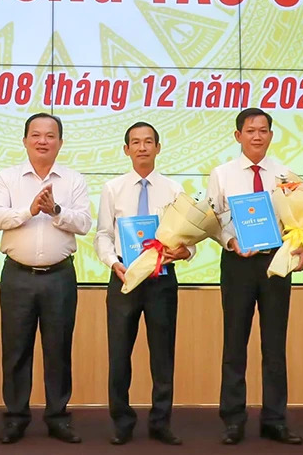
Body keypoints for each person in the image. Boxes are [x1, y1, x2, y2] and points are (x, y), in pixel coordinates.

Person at [0, 112, 91, 445]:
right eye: (36, 135)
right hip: (18, 276)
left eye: (50, 135)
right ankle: (16, 418)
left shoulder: (73, 180)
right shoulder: (8, 177)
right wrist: (29, 211)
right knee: (15, 349)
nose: (42, 141)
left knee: (58, 349)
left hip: (60, 277)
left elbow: (85, 223)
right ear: (25, 140)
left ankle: (58, 417)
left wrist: (55, 210)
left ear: (60, 142)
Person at [208, 108, 303, 446]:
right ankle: (233, 420)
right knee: (234, 343)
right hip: (237, 263)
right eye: (250, 130)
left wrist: (300, 245)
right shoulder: (221, 174)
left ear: (271, 135)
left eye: (263, 130)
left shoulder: (286, 175)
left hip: (275, 264)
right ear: (238, 135)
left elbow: (299, 221)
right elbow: (214, 220)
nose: (257, 136)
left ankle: (275, 420)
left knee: (275, 344)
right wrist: (230, 241)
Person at [94, 121, 191, 446]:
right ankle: (122, 422)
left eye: (148, 141)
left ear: (158, 148)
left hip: (162, 279)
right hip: (125, 277)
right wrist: (114, 263)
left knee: (163, 354)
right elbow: (103, 234)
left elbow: (188, 237)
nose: (142, 147)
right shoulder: (113, 188)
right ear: (126, 150)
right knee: (119, 352)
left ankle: (161, 422)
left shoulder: (174, 189)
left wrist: (185, 252)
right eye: (135, 142)